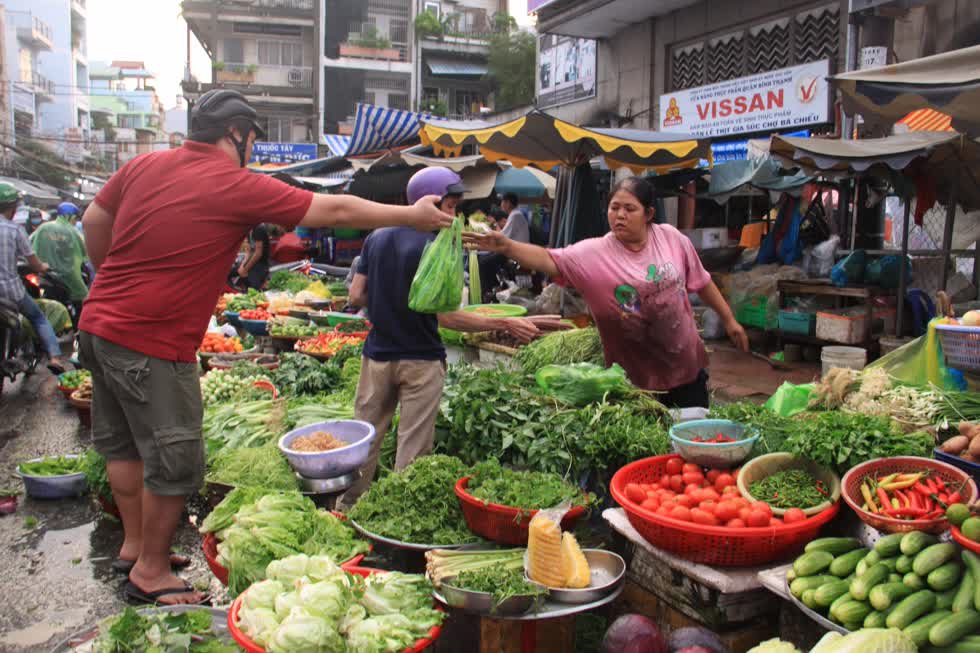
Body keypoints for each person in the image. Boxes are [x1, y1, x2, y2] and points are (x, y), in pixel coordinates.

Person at [77, 88, 452, 606]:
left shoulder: (144, 165)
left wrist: (113, 284)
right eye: (252, 137)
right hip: (152, 337)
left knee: (124, 447)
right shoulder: (234, 183)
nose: (251, 146)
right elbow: (331, 207)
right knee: (176, 455)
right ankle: (151, 571)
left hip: (98, 326)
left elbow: (94, 221)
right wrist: (412, 216)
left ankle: (136, 547)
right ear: (238, 134)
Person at [338, 167, 540, 508]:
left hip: (377, 357)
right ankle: (397, 515)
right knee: (413, 450)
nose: (454, 214)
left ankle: (348, 509)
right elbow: (446, 316)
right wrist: (505, 325)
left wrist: (391, 298)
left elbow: (356, 296)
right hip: (420, 360)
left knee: (366, 440)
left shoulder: (378, 235)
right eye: (449, 205)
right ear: (428, 201)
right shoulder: (437, 244)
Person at [464, 176, 749, 409]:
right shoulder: (593, 253)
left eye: (629, 208)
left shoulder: (672, 239)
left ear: (649, 213)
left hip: (686, 366)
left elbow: (701, 281)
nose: (620, 216)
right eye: (615, 208)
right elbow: (549, 258)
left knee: (693, 449)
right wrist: (507, 247)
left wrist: (729, 320)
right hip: (635, 379)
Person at [0, 184, 66, 374]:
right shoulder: (15, 230)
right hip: (11, 292)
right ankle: (55, 357)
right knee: (38, 318)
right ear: (13, 209)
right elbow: (34, 263)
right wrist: (43, 266)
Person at [30, 202, 90, 306]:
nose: (75, 222)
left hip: (43, 273)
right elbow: (85, 251)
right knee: (83, 296)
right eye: (75, 219)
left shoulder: (44, 227)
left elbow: (28, 242)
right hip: (68, 275)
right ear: (71, 217)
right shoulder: (73, 231)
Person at [237, 223, 270, 289]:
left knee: (253, 287)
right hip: (252, 261)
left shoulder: (258, 229)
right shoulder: (249, 230)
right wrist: (242, 266)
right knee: (232, 271)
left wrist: (245, 269)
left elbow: (258, 253)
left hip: (261, 264)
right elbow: (249, 251)